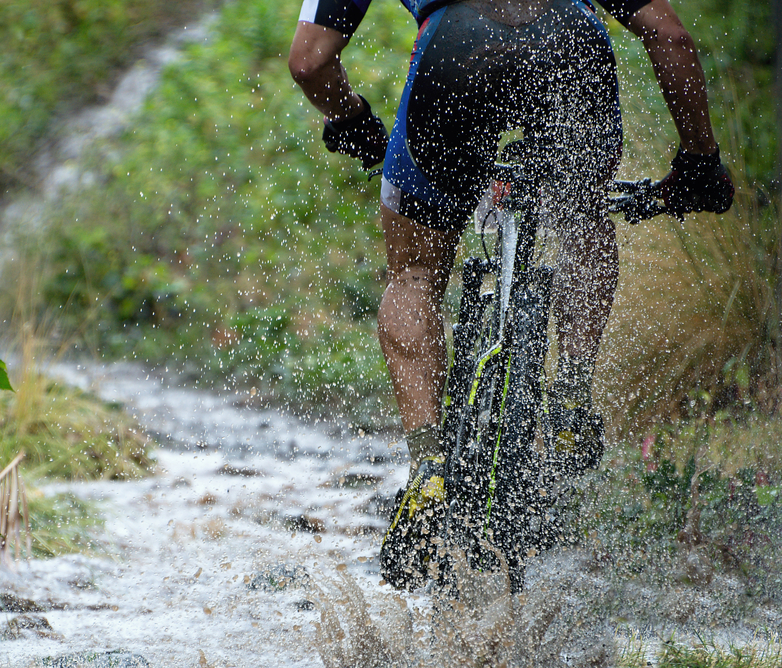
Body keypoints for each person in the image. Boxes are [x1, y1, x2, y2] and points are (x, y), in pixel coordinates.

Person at [289, 0, 734, 589]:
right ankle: (571, 400)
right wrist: (701, 159)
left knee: (415, 275)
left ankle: (428, 467)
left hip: (455, 52)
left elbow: (308, 61)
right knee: (582, 216)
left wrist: (349, 118)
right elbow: (669, 37)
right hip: (568, 51)